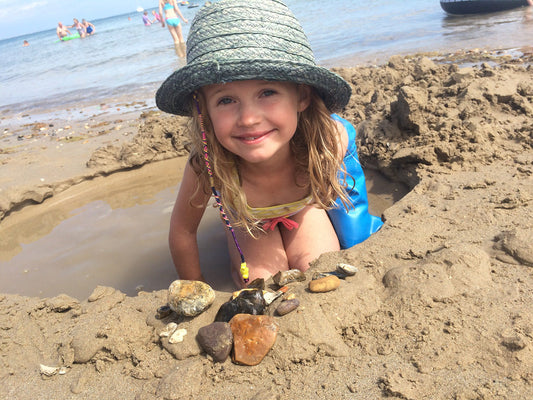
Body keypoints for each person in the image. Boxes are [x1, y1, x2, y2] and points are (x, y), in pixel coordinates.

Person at [156, 0, 383, 288]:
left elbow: (352, 206)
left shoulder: (328, 140)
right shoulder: (208, 164)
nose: (248, 119)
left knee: (321, 270)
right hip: (247, 221)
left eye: (267, 92)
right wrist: (194, 288)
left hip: (303, 209)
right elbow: (183, 232)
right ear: (203, 110)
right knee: (260, 284)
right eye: (226, 100)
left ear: (302, 96)